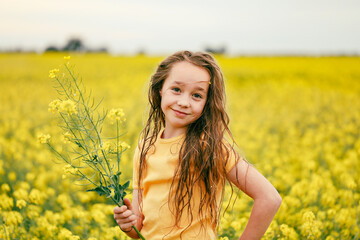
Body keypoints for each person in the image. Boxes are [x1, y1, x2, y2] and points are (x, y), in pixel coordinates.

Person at [113, 50, 282, 239]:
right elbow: (139, 229)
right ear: (160, 89)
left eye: (196, 95)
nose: (184, 102)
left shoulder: (210, 147)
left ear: (207, 102)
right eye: (176, 90)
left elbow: (269, 198)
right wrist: (128, 225)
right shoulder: (145, 148)